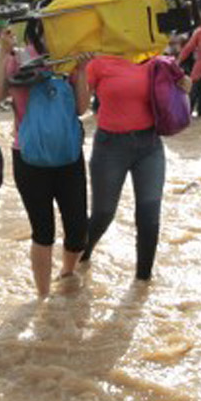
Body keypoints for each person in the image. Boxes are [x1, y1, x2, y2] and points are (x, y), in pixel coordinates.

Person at [0, 23, 90, 297]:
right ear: (37, 32)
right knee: (43, 231)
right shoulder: (19, 58)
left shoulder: (68, 60)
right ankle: (43, 297)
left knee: (78, 231)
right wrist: (1, 54)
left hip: (69, 156)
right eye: (50, 30)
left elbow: (81, 108)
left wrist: (82, 71)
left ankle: (67, 274)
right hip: (29, 158)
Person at [80, 50, 186, 282]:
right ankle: (81, 257)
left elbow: (183, 86)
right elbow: (80, 104)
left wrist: (180, 79)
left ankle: (142, 284)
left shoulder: (152, 57)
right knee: (104, 213)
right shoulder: (98, 61)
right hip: (110, 147)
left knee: (149, 218)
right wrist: (79, 68)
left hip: (149, 145)